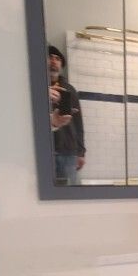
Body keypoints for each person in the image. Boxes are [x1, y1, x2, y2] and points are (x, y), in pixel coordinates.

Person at [48, 46, 86, 185]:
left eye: (57, 59)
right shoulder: (34, 88)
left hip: (68, 151)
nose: (54, 61)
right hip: (44, 151)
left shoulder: (69, 90)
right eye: (50, 57)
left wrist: (81, 152)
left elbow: (78, 123)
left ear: (61, 65)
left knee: (69, 193)